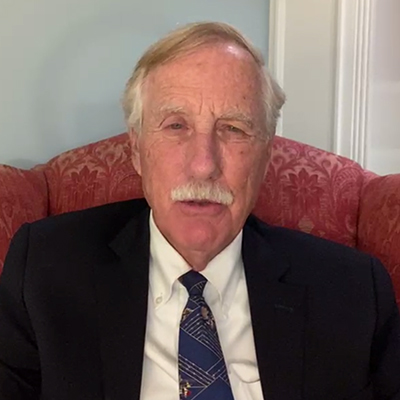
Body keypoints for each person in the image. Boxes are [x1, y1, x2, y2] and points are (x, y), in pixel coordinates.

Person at [0, 21, 399, 400]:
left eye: (233, 129)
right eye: (176, 126)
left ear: (265, 155)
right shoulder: (45, 271)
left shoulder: (352, 293)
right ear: (136, 149)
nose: (204, 165)